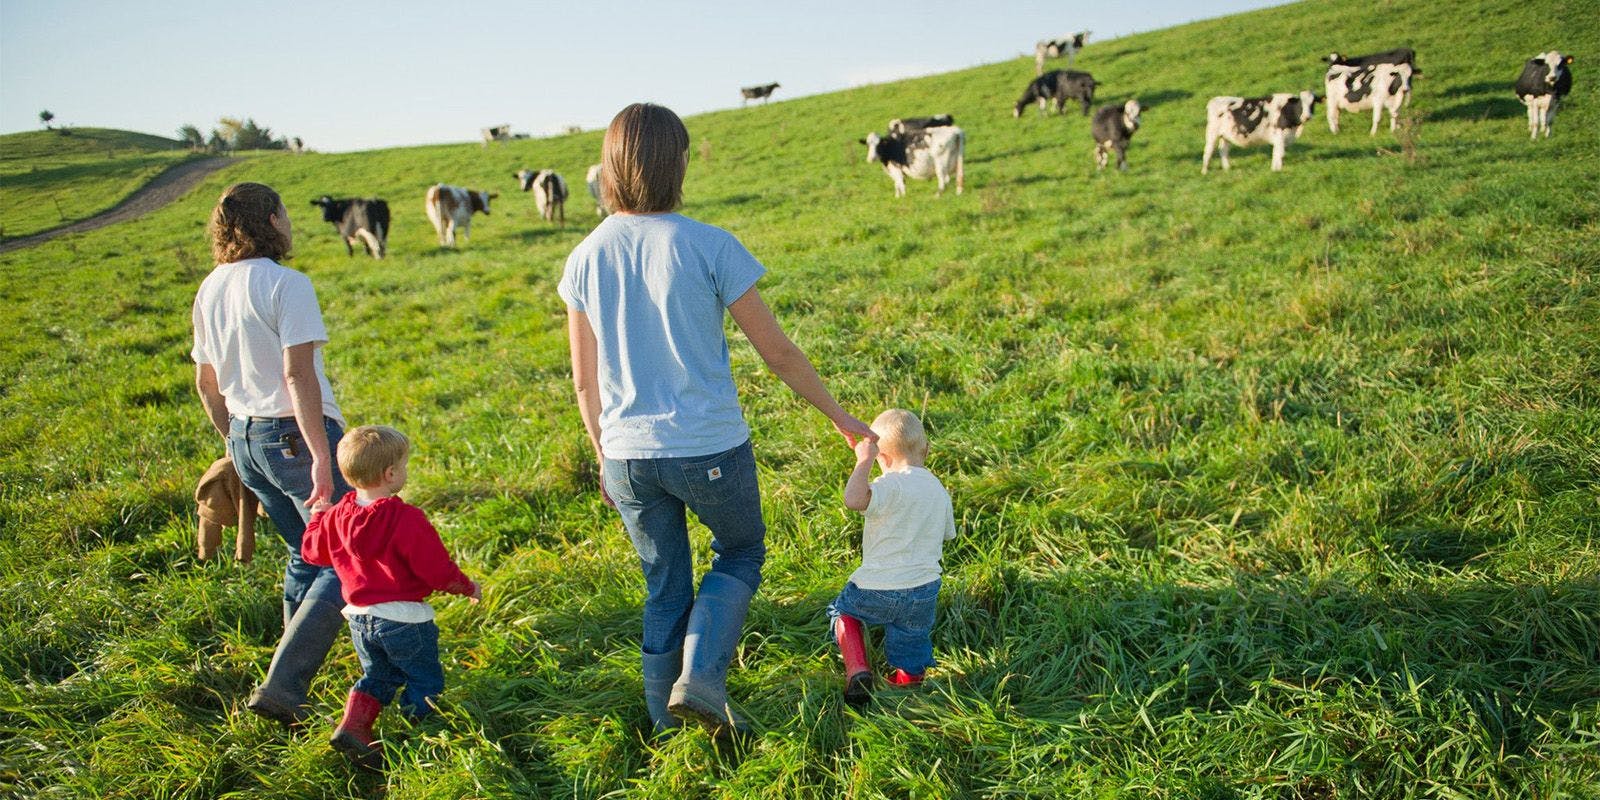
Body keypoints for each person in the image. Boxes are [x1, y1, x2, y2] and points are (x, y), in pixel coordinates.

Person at [560, 102, 875, 738]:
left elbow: (583, 381)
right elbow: (778, 352)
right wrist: (844, 419)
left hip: (627, 455)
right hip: (709, 448)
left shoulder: (584, 256)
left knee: (664, 585)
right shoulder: (707, 243)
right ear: (676, 164)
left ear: (612, 168)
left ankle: (665, 726)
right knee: (741, 550)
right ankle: (700, 678)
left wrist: (601, 454)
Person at [191, 182, 352, 726]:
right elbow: (296, 374)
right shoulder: (287, 284)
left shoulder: (210, 288)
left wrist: (235, 443)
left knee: (302, 552)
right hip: (295, 437)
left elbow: (206, 382)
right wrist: (322, 460)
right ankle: (285, 687)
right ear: (275, 219)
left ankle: (288, 667)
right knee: (347, 553)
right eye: (285, 214)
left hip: (246, 436)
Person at [302, 425, 480, 767]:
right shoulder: (406, 519)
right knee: (423, 678)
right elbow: (436, 569)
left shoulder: (338, 513)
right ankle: (419, 737)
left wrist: (315, 519)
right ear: (390, 473)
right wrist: (467, 586)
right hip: (405, 620)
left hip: (359, 618)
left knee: (378, 676)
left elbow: (313, 553)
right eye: (404, 465)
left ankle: (355, 726)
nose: (405, 472)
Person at [829, 409, 957, 707]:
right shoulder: (938, 490)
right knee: (911, 637)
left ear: (881, 458)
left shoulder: (889, 484)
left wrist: (864, 461)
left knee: (843, 611)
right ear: (926, 450)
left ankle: (858, 667)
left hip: (876, 587)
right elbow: (947, 535)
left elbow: (853, 499)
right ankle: (907, 686)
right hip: (924, 588)